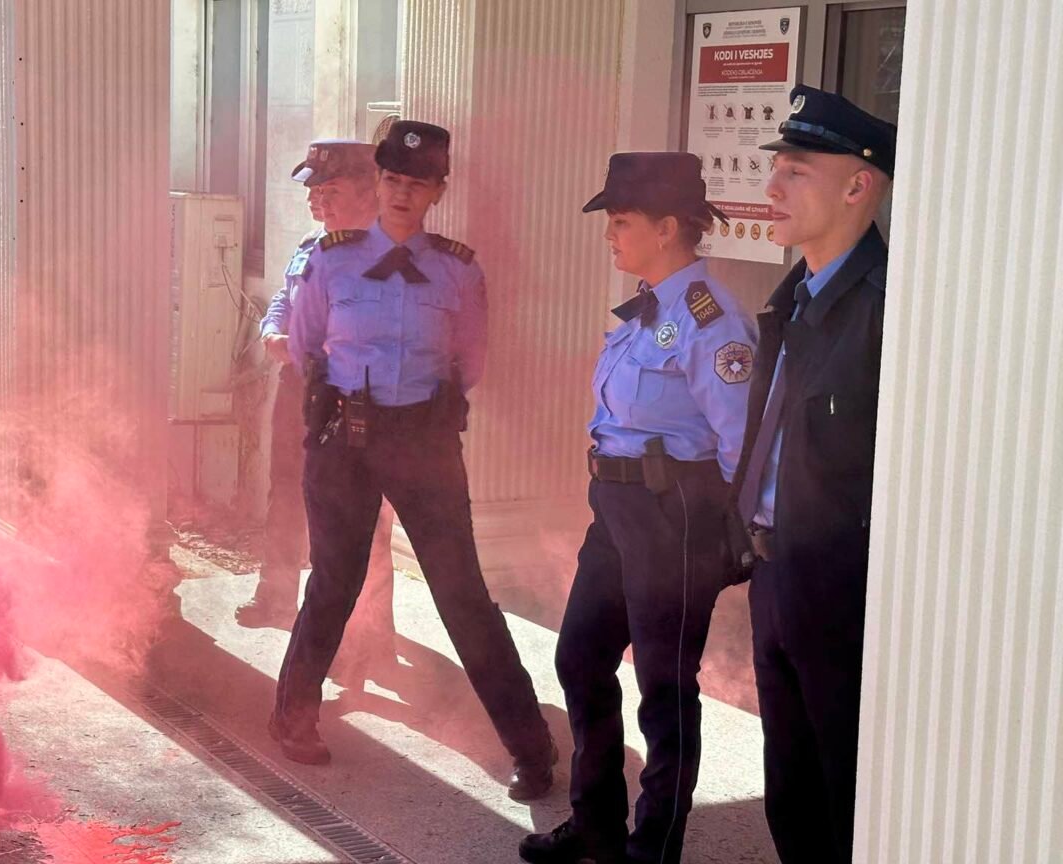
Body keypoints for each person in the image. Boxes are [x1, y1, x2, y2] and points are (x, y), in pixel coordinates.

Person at [269, 120, 558, 802]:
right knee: (334, 583)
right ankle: (293, 715)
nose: (402, 194)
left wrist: (418, 416)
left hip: (425, 446)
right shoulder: (329, 260)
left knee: (463, 596)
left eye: (416, 184)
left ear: (437, 191)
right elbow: (309, 350)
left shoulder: (459, 271)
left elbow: (471, 361)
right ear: (380, 183)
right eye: (392, 180)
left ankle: (530, 744)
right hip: (345, 442)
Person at [519, 153, 757, 864]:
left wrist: (726, 536)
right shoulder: (649, 309)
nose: (609, 236)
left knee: (663, 685)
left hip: (673, 514)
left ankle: (653, 848)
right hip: (618, 511)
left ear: (667, 226)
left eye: (620, 222)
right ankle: (596, 824)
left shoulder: (711, 320)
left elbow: (741, 441)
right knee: (580, 655)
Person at [734, 84, 895, 864]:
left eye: (795, 172)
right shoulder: (791, 295)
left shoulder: (887, 310)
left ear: (859, 185)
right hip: (775, 578)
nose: (771, 188)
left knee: (846, 792)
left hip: (842, 592)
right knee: (789, 787)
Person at [243, 138, 400, 684]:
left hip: (350, 394)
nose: (316, 201)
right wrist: (272, 329)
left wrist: (314, 348)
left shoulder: (386, 252)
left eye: (328, 191)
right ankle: (276, 594)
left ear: (367, 191)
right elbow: (288, 294)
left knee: (362, 513)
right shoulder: (316, 241)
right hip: (300, 388)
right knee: (286, 484)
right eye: (313, 191)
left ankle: (373, 630)